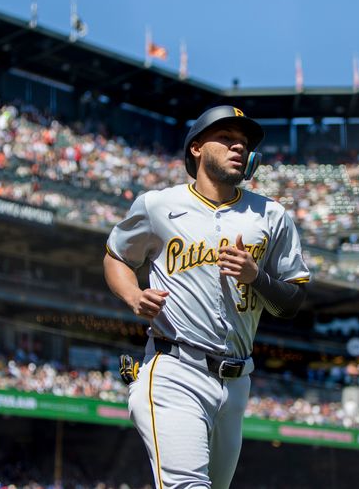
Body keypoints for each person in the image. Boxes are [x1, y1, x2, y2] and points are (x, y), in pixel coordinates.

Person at [104, 105, 310, 489]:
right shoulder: (159, 205)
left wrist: (257, 277)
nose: (238, 148)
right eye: (227, 139)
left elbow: (292, 303)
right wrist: (133, 295)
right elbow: (116, 256)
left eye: (244, 144)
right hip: (175, 367)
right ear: (196, 148)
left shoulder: (271, 215)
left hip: (236, 381)